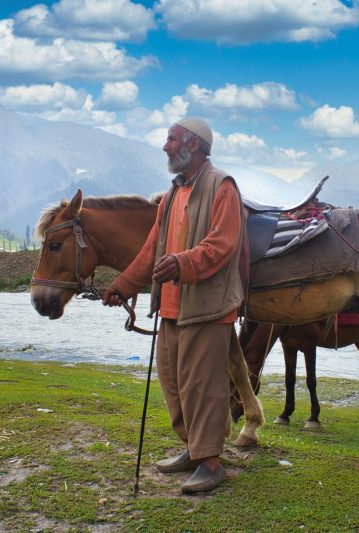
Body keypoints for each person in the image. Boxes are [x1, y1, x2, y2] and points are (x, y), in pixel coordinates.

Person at [102, 117, 246, 494]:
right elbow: (152, 250)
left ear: (193, 145)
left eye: (171, 139)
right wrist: (123, 285)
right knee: (174, 383)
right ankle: (193, 449)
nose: (166, 147)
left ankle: (211, 463)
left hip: (208, 308)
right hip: (170, 307)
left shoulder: (222, 186)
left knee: (203, 386)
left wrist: (184, 262)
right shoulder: (171, 195)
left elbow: (223, 243)